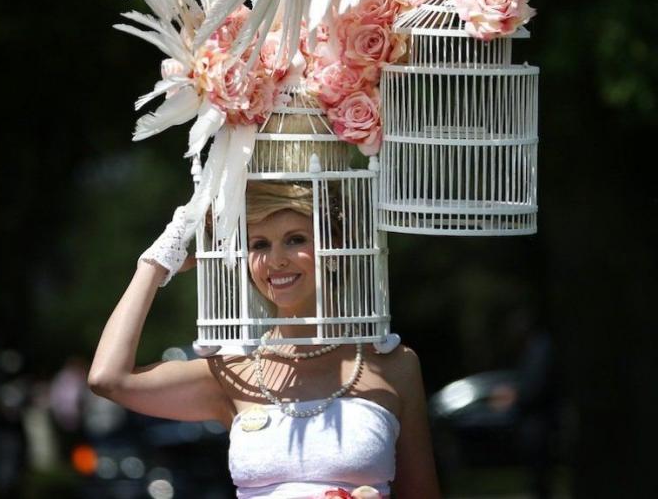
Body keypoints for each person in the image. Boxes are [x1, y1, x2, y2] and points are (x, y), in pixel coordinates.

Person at [88, 180, 441, 499]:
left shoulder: (394, 364)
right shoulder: (233, 372)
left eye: (295, 239)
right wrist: (154, 264)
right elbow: (109, 379)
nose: (276, 260)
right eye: (260, 244)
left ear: (334, 245)